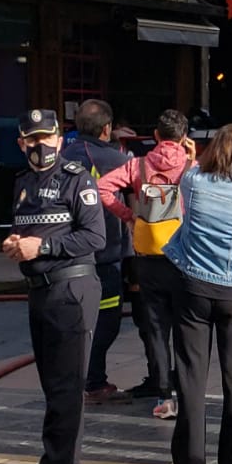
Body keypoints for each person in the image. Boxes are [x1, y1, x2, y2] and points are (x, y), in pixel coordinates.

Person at [5, 108, 106, 464]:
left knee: (66, 380)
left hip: (71, 288)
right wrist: (16, 245)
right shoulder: (22, 182)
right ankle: (63, 457)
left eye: (46, 138)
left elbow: (95, 238)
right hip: (40, 289)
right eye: (31, 139)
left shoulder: (77, 180)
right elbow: (25, 229)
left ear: (59, 140)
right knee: (52, 380)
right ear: (21, 143)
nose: (39, 145)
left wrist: (43, 245)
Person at [163, 125, 232, 464]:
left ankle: (189, 460)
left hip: (193, 285)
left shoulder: (194, 184)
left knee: (191, 374)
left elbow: (188, 172)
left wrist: (193, 153)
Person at [95, 109, 194, 420]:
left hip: (147, 258)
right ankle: (185, 389)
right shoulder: (192, 167)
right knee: (185, 326)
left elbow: (102, 189)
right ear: (184, 137)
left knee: (155, 328)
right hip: (182, 257)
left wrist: (129, 217)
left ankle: (163, 392)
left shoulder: (137, 165)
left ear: (155, 135)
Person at [62, 99, 134, 405]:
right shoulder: (115, 158)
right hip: (104, 254)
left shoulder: (60, 155)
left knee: (74, 319)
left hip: (66, 254)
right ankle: (93, 381)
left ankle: (72, 381)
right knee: (106, 320)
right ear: (106, 129)